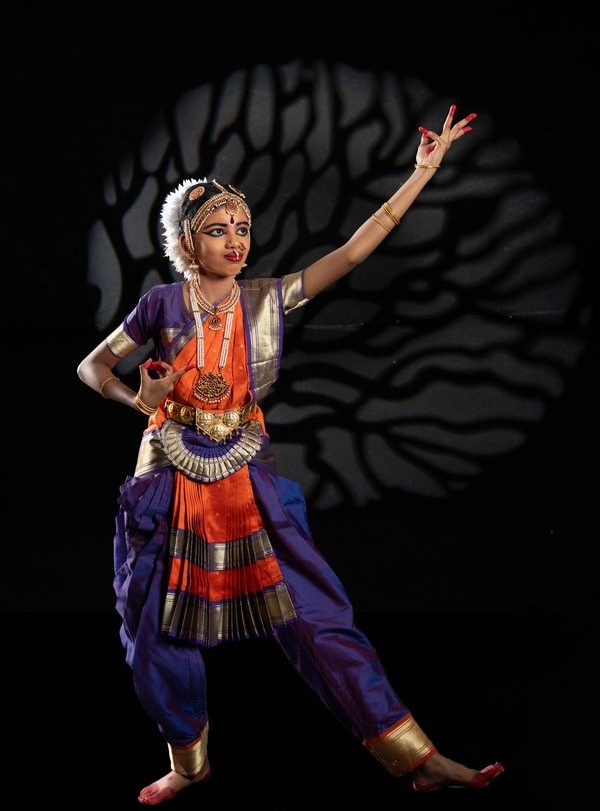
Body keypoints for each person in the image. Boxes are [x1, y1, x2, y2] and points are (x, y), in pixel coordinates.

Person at [78, 105, 504, 803]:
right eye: (218, 229)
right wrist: (142, 399)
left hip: (245, 466)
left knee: (317, 616)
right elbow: (93, 368)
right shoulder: (159, 305)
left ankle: (416, 758)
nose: (236, 240)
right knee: (151, 626)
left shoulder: (266, 299)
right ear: (188, 241)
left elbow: (358, 249)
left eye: (242, 227)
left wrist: (421, 174)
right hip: (166, 473)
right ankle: (190, 765)